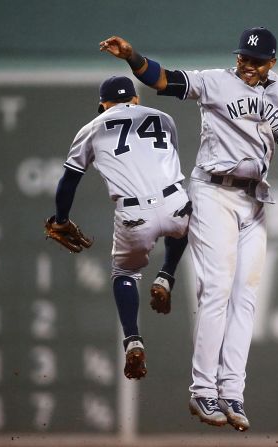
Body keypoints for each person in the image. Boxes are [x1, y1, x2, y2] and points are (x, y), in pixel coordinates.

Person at [100, 27, 278, 431]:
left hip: (255, 199)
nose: (248, 65)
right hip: (212, 192)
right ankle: (203, 390)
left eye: (256, 61)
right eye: (243, 57)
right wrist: (132, 57)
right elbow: (163, 80)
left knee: (246, 297)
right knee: (218, 289)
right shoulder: (215, 82)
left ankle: (233, 393)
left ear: (272, 62)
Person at [49, 75, 192, 380]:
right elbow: (167, 163)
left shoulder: (92, 128)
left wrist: (61, 219)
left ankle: (132, 340)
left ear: (102, 105)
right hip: (174, 202)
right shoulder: (164, 118)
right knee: (182, 220)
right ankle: (166, 275)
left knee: (125, 274)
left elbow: (68, 181)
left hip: (133, 213)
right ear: (136, 100)